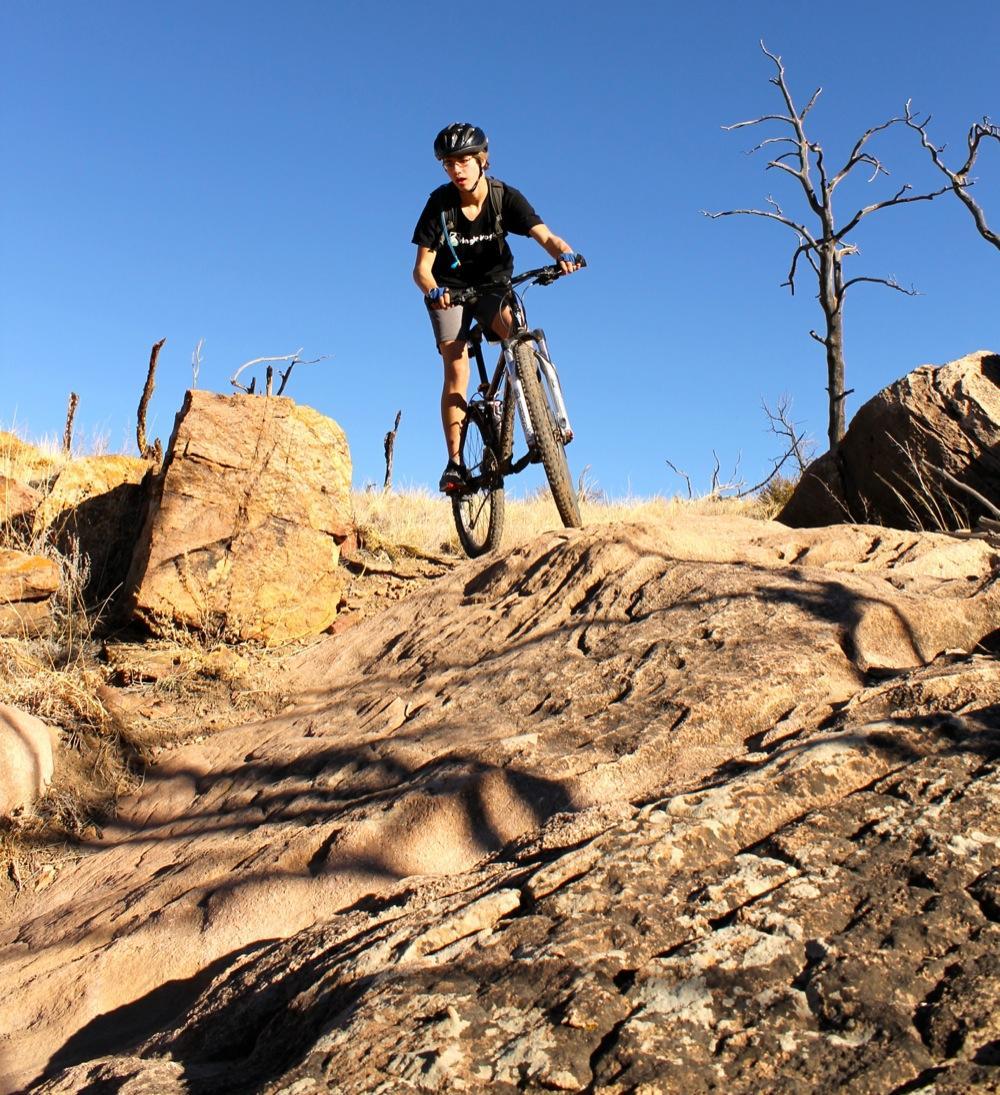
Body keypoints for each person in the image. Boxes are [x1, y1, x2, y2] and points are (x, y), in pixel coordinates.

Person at [411, 122, 580, 492]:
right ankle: (454, 464)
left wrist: (564, 254)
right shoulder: (439, 206)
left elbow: (545, 236)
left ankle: (539, 414)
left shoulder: (504, 197)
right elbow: (421, 270)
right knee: (456, 369)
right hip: (450, 291)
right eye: (449, 164)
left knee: (516, 332)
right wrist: (434, 290)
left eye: (464, 161)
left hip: (493, 286)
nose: (457, 170)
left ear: (482, 160)